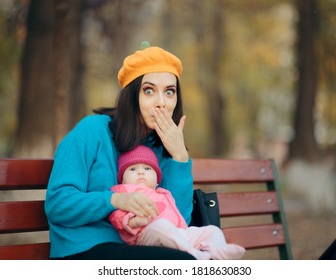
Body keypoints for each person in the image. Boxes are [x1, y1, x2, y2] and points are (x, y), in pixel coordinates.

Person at [44, 45, 195, 259]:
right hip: (82, 251)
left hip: (136, 250)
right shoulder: (92, 131)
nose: (161, 102)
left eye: (169, 92)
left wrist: (179, 157)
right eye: (149, 90)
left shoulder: (163, 146)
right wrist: (114, 200)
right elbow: (58, 203)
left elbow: (178, 223)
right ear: (131, 95)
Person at [109, 145, 246, 260]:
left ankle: (217, 252)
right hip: (145, 236)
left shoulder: (164, 194)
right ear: (123, 179)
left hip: (177, 233)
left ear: (157, 179)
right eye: (133, 169)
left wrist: (186, 233)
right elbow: (117, 217)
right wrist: (135, 222)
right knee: (161, 226)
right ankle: (197, 256)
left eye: (147, 168)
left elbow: (177, 215)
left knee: (212, 230)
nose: (140, 172)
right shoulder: (124, 191)